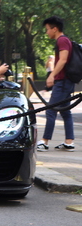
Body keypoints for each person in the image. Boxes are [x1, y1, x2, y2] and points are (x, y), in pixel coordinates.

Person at [37, 16, 75, 151]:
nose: (47, 32)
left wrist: (52, 75)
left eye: (47, 29)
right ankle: (69, 141)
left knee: (51, 110)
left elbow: (63, 60)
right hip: (66, 81)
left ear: (55, 29)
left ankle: (45, 141)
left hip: (63, 81)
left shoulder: (62, 40)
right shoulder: (65, 40)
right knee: (65, 112)